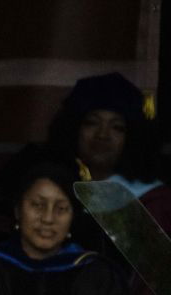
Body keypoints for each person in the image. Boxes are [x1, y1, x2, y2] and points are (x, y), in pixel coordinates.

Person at [0, 157, 128, 295]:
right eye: (37, 205)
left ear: (73, 217)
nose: (48, 218)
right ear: (17, 210)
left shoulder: (97, 276)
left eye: (61, 209)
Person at [46, 72, 170, 239]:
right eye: (92, 123)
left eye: (117, 127)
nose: (103, 135)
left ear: (133, 138)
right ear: (72, 129)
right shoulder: (49, 187)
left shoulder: (153, 202)